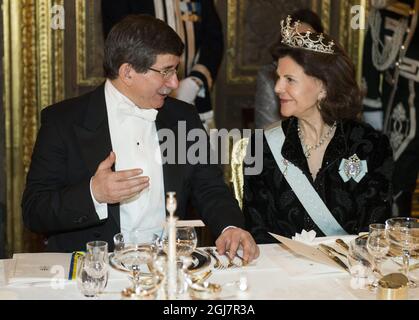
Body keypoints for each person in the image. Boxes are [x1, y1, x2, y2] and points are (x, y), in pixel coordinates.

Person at [22, 15, 259, 262]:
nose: (175, 82)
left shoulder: (183, 118)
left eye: (175, 71)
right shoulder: (64, 121)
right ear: (127, 72)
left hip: (167, 269)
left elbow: (210, 188)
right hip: (93, 272)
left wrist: (230, 227)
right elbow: (34, 211)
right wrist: (94, 193)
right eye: (166, 71)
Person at [243, 16, 394, 243]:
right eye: (278, 78)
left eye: (289, 79)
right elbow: (257, 233)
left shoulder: (369, 146)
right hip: (280, 274)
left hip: (347, 274)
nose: (277, 88)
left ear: (323, 86)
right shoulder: (262, 146)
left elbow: (375, 235)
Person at [101, 0, 224, 132]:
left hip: (193, 96)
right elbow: (122, 44)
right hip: (139, 98)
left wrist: (196, 80)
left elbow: (213, 38)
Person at [362, 0, 419, 217]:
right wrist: (373, 107)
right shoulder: (393, 11)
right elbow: (372, 62)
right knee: (398, 185)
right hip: (402, 115)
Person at [254, 9, 324, 129]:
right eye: (293, 41)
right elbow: (266, 131)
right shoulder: (270, 77)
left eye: (306, 41)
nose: (278, 88)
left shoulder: (328, 74)